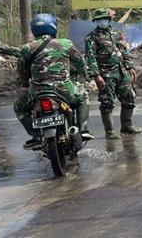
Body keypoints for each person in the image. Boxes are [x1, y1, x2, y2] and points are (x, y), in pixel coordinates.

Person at [13, 13, 95, 148]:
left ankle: (35, 134)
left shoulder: (27, 48)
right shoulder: (65, 43)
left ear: (34, 29)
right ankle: (83, 129)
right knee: (83, 96)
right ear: (53, 27)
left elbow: (21, 71)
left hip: (38, 92)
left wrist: (24, 82)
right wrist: (86, 76)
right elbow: (80, 63)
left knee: (18, 107)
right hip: (64, 90)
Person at [84, 8, 142, 139]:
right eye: (99, 20)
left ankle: (126, 126)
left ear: (109, 20)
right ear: (96, 21)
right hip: (105, 75)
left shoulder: (116, 33)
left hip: (121, 72)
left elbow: (124, 49)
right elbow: (90, 57)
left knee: (129, 98)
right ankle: (110, 132)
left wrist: (130, 65)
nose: (102, 21)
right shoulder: (91, 37)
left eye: (104, 19)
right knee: (107, 103)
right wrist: (96, 75)